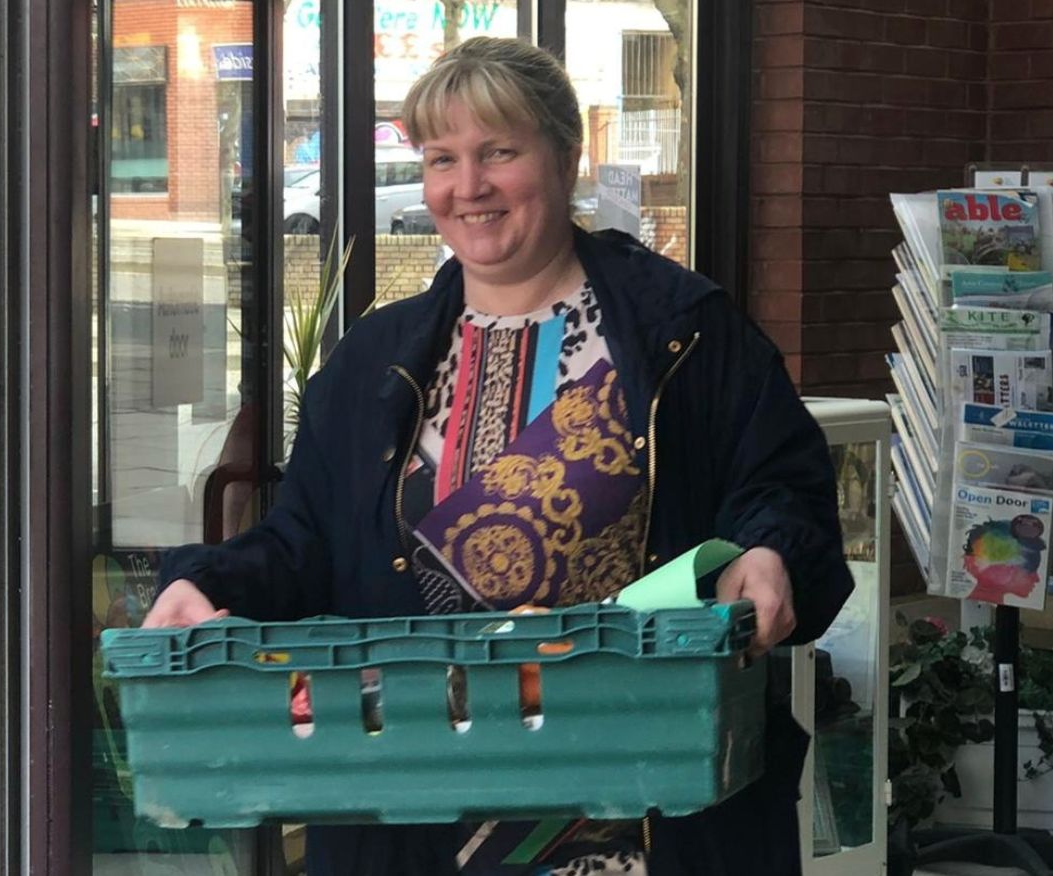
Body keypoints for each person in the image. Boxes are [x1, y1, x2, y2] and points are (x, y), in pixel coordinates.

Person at [144, 36, 854, 876]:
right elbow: (305, 542)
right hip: (411, 811)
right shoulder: (375, 362)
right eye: (441, 159)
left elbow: (784, 487)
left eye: (499, 152)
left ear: (564, 154)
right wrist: (207, 583)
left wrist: (770, 554)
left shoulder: (684, 333)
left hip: (642, 813)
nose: (467, 187)